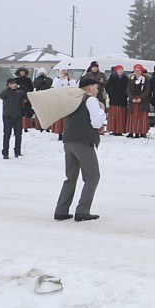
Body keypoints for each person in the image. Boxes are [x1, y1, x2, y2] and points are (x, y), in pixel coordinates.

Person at [54, 77, 107, 222]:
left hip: (68, 140)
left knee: (70, 177)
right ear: (89, 87)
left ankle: (61, 210)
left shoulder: (74, 99)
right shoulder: (90, 100)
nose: (97, 91)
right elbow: (96, 123)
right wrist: (102, 110)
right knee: (92, 177)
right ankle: (82, 211)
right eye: (96, 87)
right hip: (83, 141)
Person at [0, 78, 25, 159]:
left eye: (14, 83)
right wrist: (8, 88)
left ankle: (17, 152)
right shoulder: (5, 92)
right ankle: (5, 152)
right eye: (11, 84)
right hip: (7, 117)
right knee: (7, 135)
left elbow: (25, 97)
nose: (13, 85)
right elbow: (1, 96)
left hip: (18, 116)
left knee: (18, 135)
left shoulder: (19, 93)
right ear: (8, 85)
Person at [125, 64, 150, 138]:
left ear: (141, 71)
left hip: (142, 101)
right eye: (136, 70)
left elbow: (147, 90)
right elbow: (128, 90)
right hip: (133, 101)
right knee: (132, 117)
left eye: (138, 70)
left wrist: (141, 98)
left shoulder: (145, 79)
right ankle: (131, 131)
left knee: (141, 117)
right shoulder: (131, 79)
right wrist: (132, 98)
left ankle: (141, 132)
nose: (137, 72)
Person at [51, 68, 76, 140]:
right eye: (62, 71)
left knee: (68, 117)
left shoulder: (71, 80)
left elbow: (73, 87)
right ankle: (59, 132)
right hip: (60, 99)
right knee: (60, 117)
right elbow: (54, 86)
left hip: (68, 100)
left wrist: (70, 79)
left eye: (65, 71)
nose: (64, 72)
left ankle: (68, 132)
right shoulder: (57, 79)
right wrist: (60, 78)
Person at [105, 65, 129, 136]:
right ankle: (114, 129)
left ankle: (121, 129)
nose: (120, 71)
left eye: (121, 69)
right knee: (114, 115)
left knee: (121, 115)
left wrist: (126, 95)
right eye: (119, 70)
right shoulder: (112, 77)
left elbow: (128, 87)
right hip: (114, 99)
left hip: (122, 99)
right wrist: (111, 94)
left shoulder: (125, 78)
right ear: (116, 71)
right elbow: (107, 87)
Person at [14, 67, 35, 131]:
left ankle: (26, 126)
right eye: (21, 72)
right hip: (18, 98)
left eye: (23, 72)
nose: (22, 73)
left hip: (27, 97)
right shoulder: (15, 80)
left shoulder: (28, 80)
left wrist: (27, 98)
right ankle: (19, 125)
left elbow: (31, 89)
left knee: (27, 112)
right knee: (19, 112)